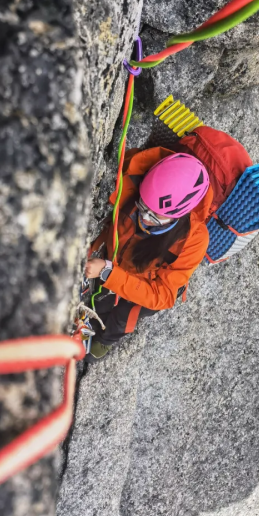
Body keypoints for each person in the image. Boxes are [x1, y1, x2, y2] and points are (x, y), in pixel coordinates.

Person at [83, 148, 212, 361]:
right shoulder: (134, 175)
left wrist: (108, 273)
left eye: (154, 216)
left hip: (150, 283)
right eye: (142, 207)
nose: (144, 218)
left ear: (178, 216)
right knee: (102, 303)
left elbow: (162, 296)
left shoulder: (194, 240)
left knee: (123, 316)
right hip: (117, 259)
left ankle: (103, 344)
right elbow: (109, 221)